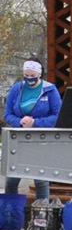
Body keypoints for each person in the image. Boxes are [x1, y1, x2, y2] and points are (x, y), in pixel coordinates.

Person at [4, 58, 61, 201]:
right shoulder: (17, 89)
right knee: (11, 180)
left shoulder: (49, 90)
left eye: (32, 75)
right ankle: (10, 213)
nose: (29, 78)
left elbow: (58, 115)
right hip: (19, 139)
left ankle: (43, 213)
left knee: (41, 180)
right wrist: (19, 122)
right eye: (26, 75)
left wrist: (35, 123)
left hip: (41, 139)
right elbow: (7, 114)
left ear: (39, 74)